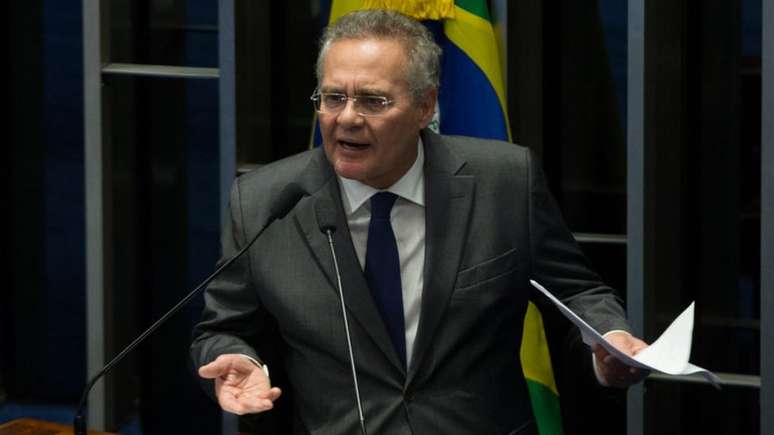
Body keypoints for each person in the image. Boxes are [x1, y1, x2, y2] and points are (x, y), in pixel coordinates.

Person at [191, 9, 647, 434]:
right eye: (333, 97)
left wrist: (608, 338)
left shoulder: (503, 182)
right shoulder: (264, 201)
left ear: (425, 107)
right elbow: (223, 325)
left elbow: (575, 291)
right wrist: (233, 356)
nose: (347, 118)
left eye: (373, 100)